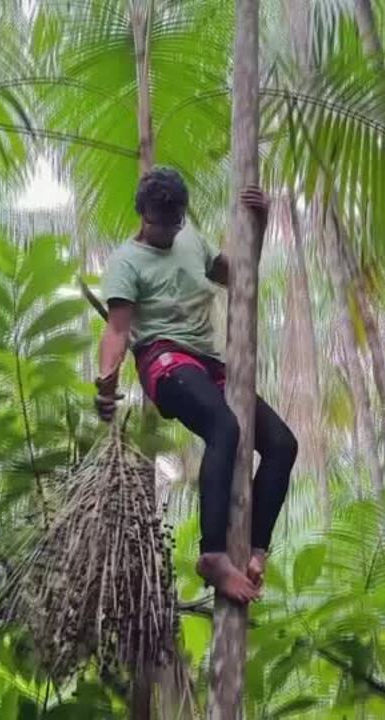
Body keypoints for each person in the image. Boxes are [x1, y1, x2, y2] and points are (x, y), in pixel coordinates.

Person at [93, 167, 299, 604]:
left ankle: (256, 550)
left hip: (211, 365)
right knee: (224, 427)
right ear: (142, 216)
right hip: (164, 360)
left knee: (282, 443)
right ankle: (213, 556)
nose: (168, 233)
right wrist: (106, 384)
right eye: (159, 225)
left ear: (184, 217)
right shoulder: (125, 263)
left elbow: (240, 276)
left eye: (175, 223)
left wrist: (258, 225)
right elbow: (116, 330)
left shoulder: (191, 240)